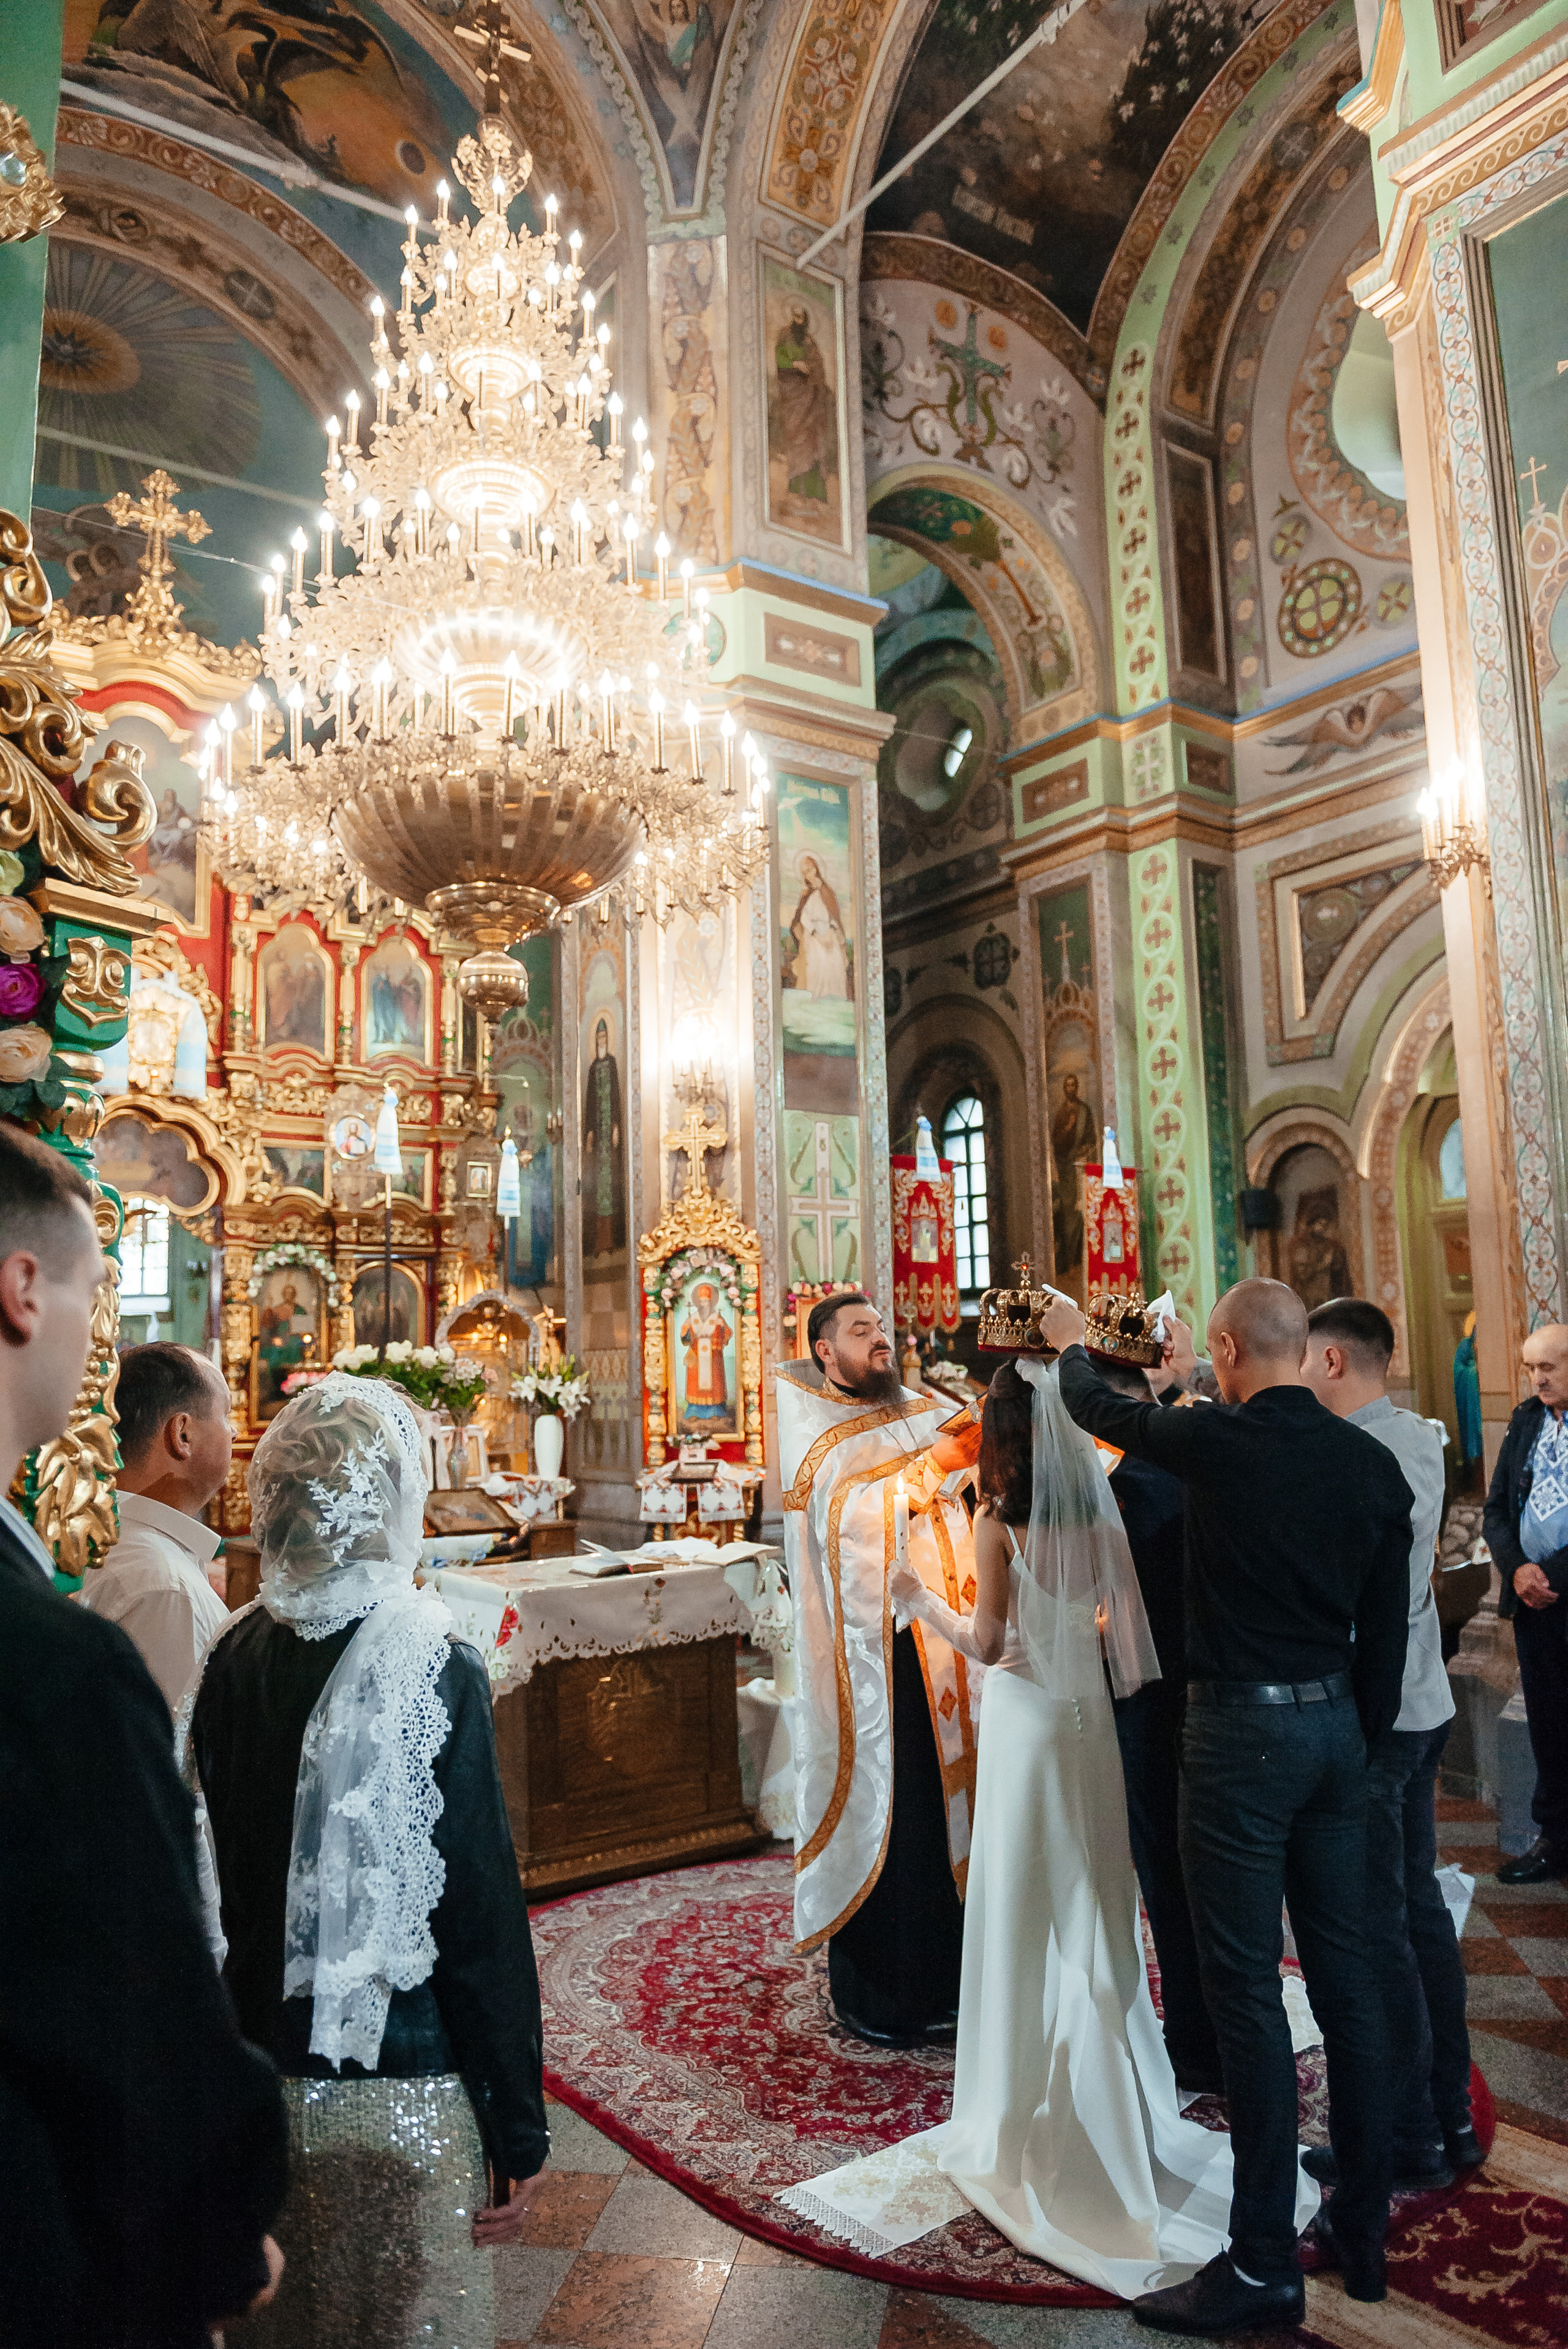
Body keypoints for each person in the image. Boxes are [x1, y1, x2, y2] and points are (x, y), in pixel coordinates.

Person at [1044, 1276, 1412, 2331]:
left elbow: (1098, 1407)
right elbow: (1386, 1638)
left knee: (1245, 1989)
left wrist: (1069, 1341)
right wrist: (1350, 1739)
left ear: (1227, 1348)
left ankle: (1258, 2263)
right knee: (1346, 1981)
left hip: (1238, 1734)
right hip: (1338, 1728)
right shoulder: (1371, 1463)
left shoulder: (1220, 1440)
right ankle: (1362, 2223)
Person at [887, 1357, 1297, 2294]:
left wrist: (921, 1600)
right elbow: (1122, 1632)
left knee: (1023, 1905)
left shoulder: (999, 1520)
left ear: (998, 1437)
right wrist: (1068, 1629)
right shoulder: (1097, 1508)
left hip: (1028, 1725)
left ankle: (1028, 2101)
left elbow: (989, 1644)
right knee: (1096, 1904)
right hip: (1091, 1727)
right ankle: (1125, 2090)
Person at [188, 1372, 549, 2346]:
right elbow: (477, 1912)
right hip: (404, 2091)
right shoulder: (433, 1655)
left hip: (260, 2083)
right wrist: (516, 2124)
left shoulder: (230, 1652)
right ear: (391, 1498)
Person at [0, 1119, 285, 2347]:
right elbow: (129, 1978)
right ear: (23, 1290)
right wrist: (217, 2236)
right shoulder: (74, 1650)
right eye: (95, 1293)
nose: (99, 1343)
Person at [1301, 1298, 1480, 2188]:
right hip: (1425, 1700)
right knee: (1417, 1914)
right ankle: (1448, 2115)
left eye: (1304, 1360)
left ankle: (1407, 2135)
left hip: (1383, 1714)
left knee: (1377, 1933)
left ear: (1332, 1361)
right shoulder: (1417, 1433)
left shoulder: (1354, 1452)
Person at [776, 1290, 982, 2044]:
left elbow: (960, 1488)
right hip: (876, 1663)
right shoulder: (814, 1432)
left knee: (949, 1819)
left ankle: (958, 1982)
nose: (879, 1339)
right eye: (860, 1331)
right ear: (825, 1351)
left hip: (946, 1654)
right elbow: (845, 1525)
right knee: (900, 1822)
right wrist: (932, 1471)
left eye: (881, 1328)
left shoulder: (921, 1409)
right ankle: (887, 1998)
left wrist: (967, 1461)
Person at [1081, 1301, 1223, 2094]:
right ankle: (1221, 2029)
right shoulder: (1203, 1446)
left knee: (1168, 1870)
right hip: (1220, 1686)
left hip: (1150, 1696)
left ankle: (1197, 2039)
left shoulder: (1121, 1482)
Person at [80, 1341, 233, 1714]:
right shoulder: (165, 1589)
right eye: (225, 1415)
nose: (232, 1433)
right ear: (183, 1435)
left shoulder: (114, 1538)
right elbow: (176, 1744)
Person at [1482, 1321, 1568, 1885]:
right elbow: (1495, 1510)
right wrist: (1517, 1569)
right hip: (1533, 1604)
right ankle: (1555, 1841)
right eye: (1531, 1368)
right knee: (1549, 1726)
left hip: (1558, 1589)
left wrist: (1549, 1575)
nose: (1538, 1378)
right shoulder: (1527, 1419)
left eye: (1549, 1367)